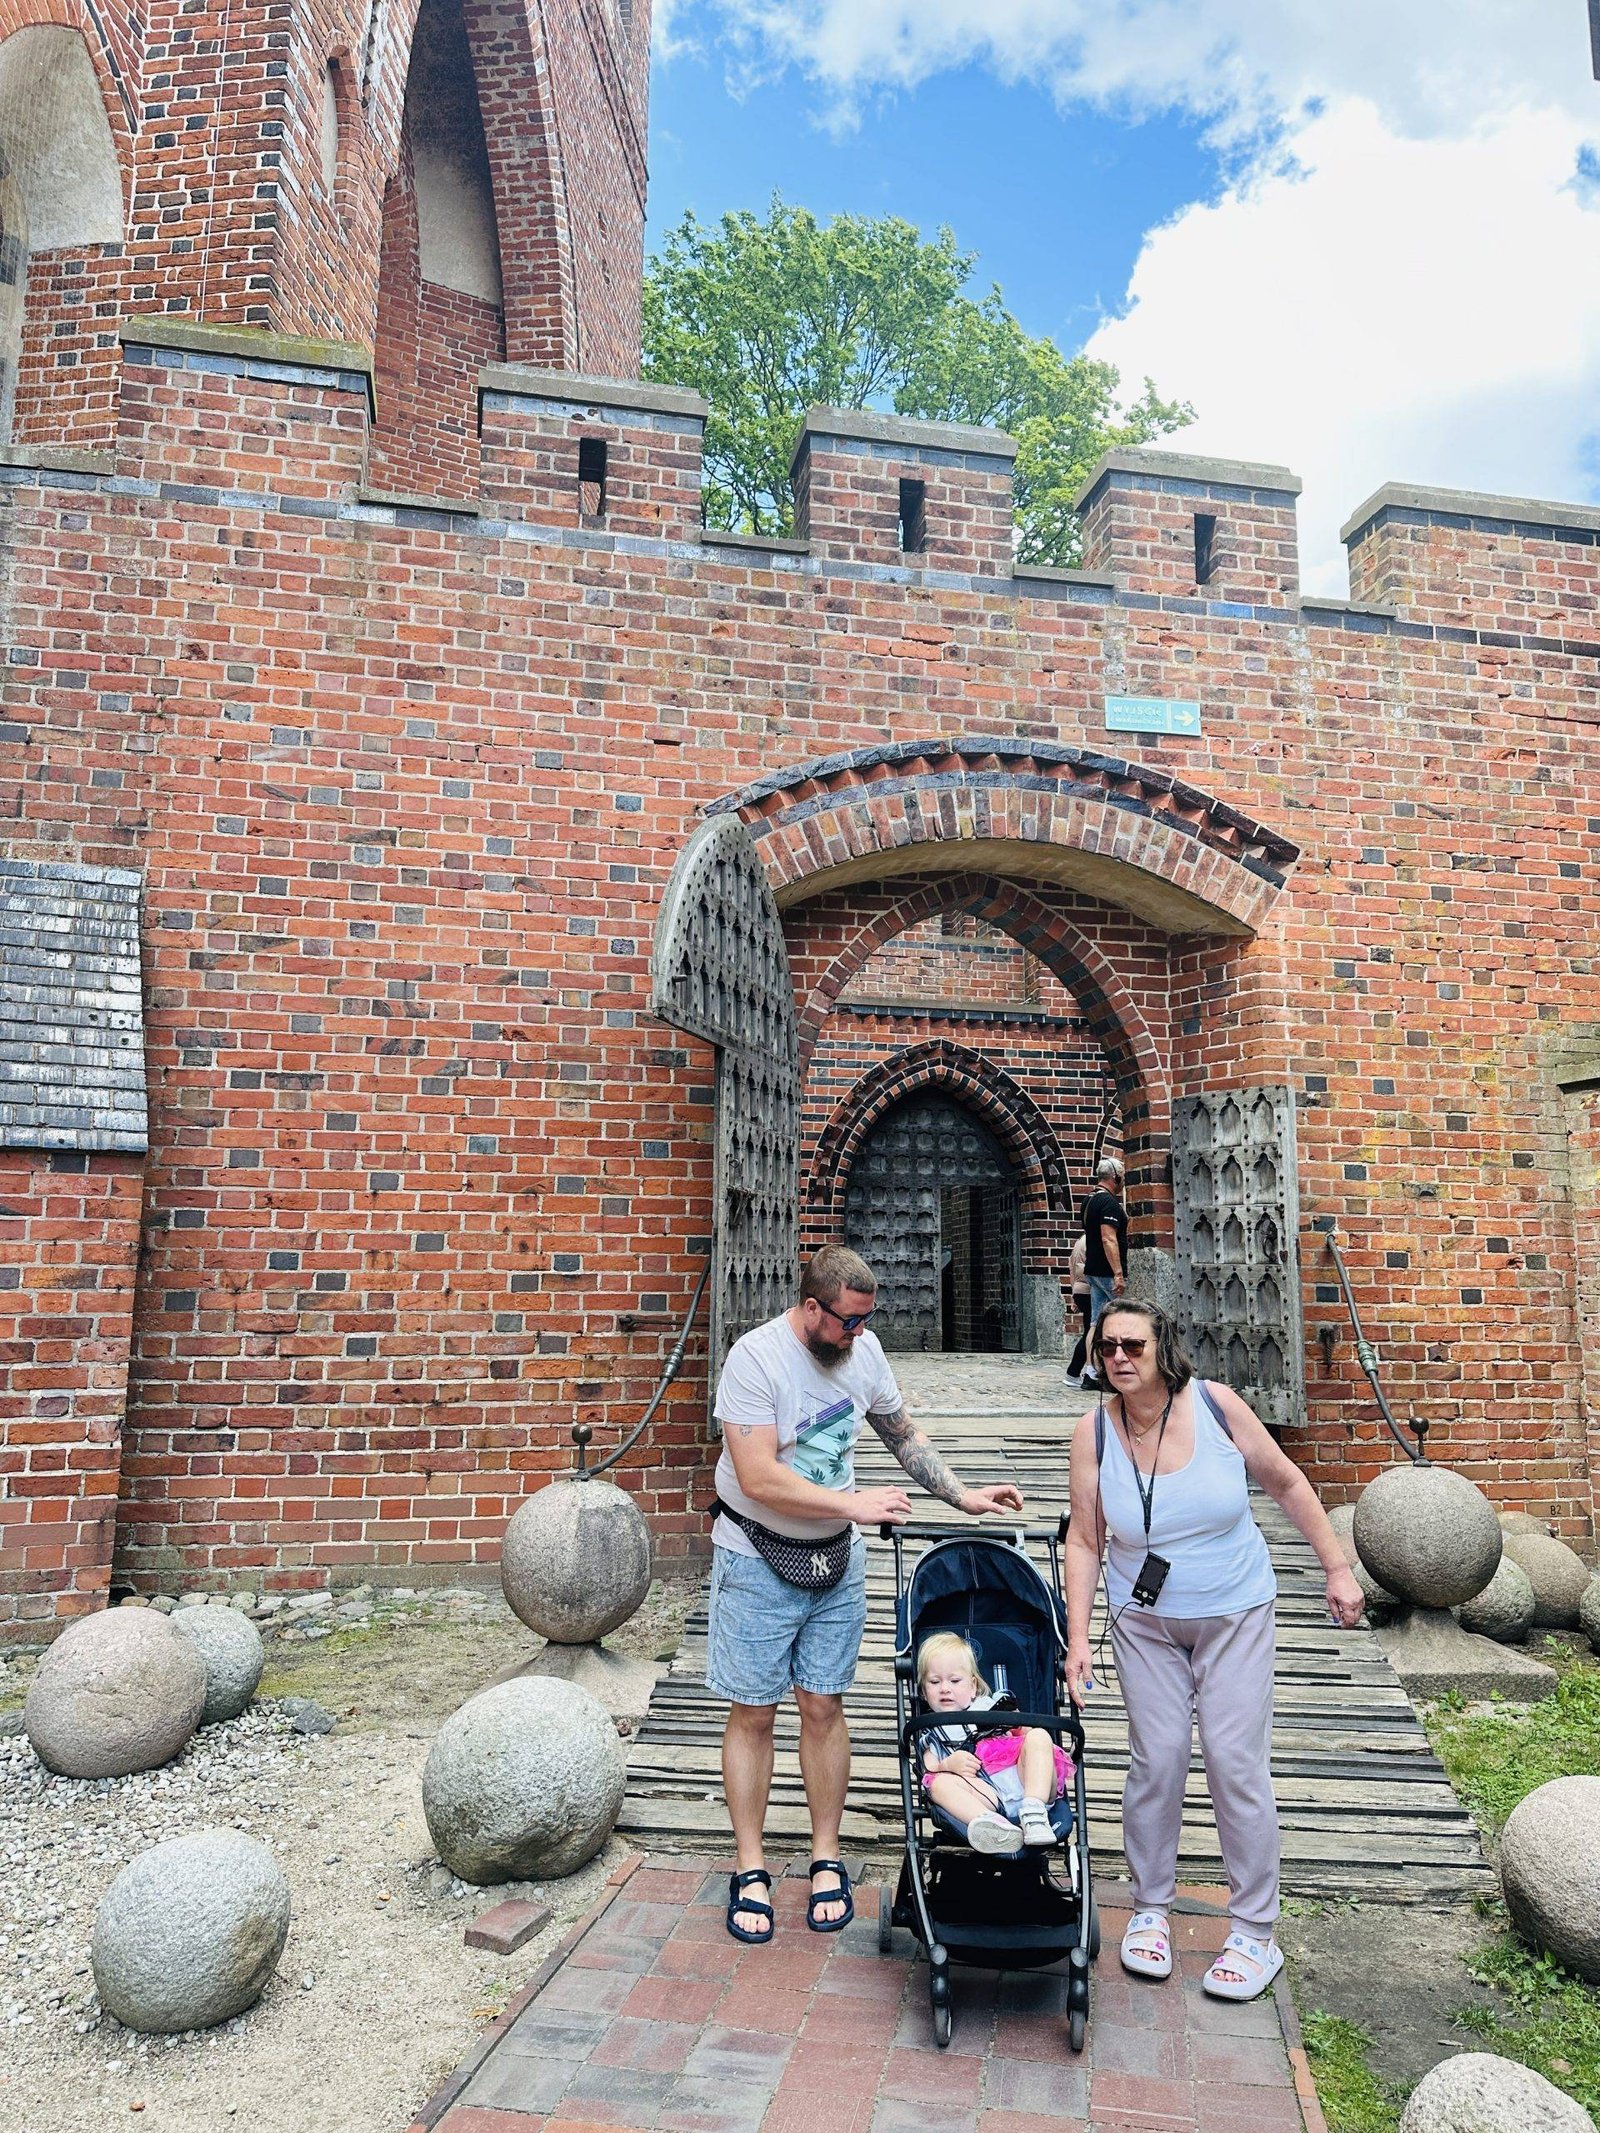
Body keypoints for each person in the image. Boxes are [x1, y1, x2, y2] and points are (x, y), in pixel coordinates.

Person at [711, 1243, 1026, 1946]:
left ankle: (825, 1855)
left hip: (835, 1558)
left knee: (824, 1704)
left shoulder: (865, 1352)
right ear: (812, 1307)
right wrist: (854, 1504)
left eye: (867, 1320)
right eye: (848, 1321)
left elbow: (900, 1431)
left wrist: (963, 1494)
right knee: (754, 1712)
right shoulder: (756, 1359)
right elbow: (757, 1476)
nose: (858, 1332)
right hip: (756, 1554)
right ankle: (750, 1865)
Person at [1063, 1300, 1365, 2002]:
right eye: (1106, 1346)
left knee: (1234, 1762)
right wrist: (1077, 1639)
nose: (1119, 1357)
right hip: (1144, 1622)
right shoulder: (1094, 1431)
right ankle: (1150, 1909)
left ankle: (1255, 1930)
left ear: (1163, 1346)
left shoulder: (1217, 1406)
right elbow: (1084, 1538)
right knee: (1158, 1758)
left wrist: (1337, 1567)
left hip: (1234, 1611)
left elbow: (1286, 1482)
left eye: (1133, 1344)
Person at [917, 1631, 1073, 1854]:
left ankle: (1034, 1813)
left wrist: (1016, 1723)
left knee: (1039, 1736)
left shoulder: (990, 1706)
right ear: (923, 1691)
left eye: (955, 1681)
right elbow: (928, 1768)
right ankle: (992, 1826)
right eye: (934, 1682)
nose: (945, 1688)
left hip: (1026, 1783)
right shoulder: (932, 1731)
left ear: (973, 1686)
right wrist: (948, 1765)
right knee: (937, 1784)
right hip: (986, 1796)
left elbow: (1025, 1735)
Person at [1079, 1158, 1129, 1383]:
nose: (1123, 1181)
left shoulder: (1089, 1199)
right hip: (1107, 1272)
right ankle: (1120, 1367)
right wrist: (1118, 1273)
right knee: (1124, 1317)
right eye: (1122, 1176)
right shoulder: (1108, 1203)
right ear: (1115, 1177)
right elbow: (1109, 1238)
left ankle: (1091, 1372)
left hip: (1092, 1268)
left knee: (1095, 1322)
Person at [1066, 1232, 1091, 1383]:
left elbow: (1072, 1268)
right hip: (1089, 1290)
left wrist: (1074, 1294)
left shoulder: (1080, 1241)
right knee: (1092, 1333)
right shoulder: (1093, 1239)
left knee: (1089, 1332)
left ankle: (1074, 1372)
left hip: (1080, 1290)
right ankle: (1075, 1372)